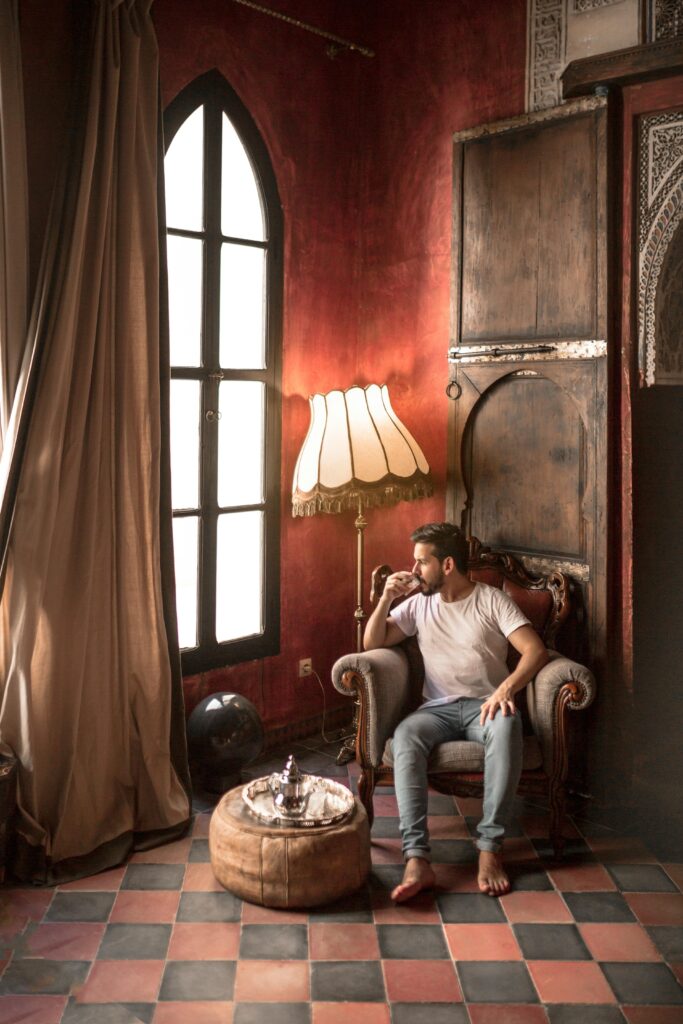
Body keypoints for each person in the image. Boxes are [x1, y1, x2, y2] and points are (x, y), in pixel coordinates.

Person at [363, 521, 549, 900]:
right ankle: (417, 858)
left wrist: (506, 689)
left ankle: (490, 849)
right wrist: (385, 599)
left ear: (447, 564)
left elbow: (535, 651)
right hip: (437, 710)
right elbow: (372, 643)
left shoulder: (492, 601)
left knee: (507, 726)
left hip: (486, 706)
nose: (414, 570)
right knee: (406, 736)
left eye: (421, 562)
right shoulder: (419, 603)